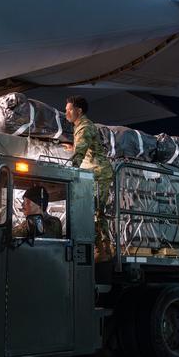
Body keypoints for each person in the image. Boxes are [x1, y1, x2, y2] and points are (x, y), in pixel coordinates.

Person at [64, 95, 113, 260]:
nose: (66, 113)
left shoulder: (84, 127)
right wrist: (73, 147)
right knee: (95, 211)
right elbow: (86, 148)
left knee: (93, 210)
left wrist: (68, 173)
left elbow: (79, 155)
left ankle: (102, 250)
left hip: (99, 174)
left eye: (69, 110)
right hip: (94, 173)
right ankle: (103, 248)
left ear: (79, 110)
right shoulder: (81, 127)